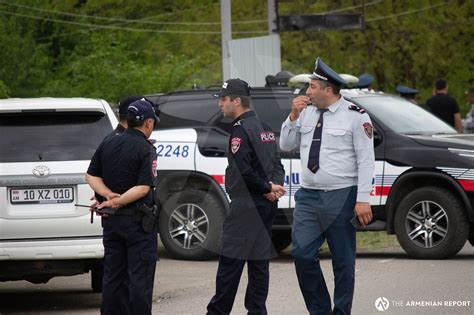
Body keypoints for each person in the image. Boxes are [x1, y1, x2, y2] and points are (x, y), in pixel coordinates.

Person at [280, 57, 375, 315]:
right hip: (309, 197)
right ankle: (320, 311)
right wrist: (292, 116)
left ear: (328, 90)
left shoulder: (356, 116)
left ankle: (341, 311)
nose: (307, 92)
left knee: (343, 261)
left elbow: (366, 159)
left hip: (342, 195)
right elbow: (286, 145)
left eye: (312, 87)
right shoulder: (306, 112)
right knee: (301, 254)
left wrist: (363, 198)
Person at [207, 78, 286, 315]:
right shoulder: (265, 127)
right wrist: (274, 187)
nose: (220, 104)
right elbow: (277, 165)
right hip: (265, 206)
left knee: (230, 266)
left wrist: (266, 188)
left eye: (224, 99)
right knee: (259, 265)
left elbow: (244, 170)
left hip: (246, 206)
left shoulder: (240, 131)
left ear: (237, 101)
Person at [85, 99, 159, 315]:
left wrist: (107, 196)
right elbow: (143, 187)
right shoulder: (145, 148)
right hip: (137, 224)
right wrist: (115, 200)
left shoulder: (108, 142)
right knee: (140, 281)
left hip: (112, 222)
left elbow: (90, 175)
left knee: (113, 278)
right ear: (147, 123)